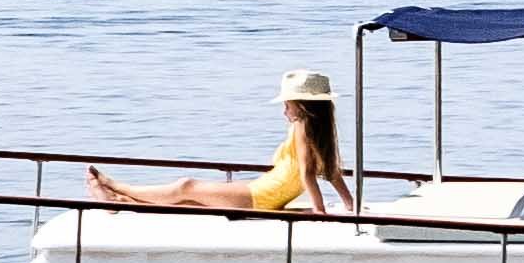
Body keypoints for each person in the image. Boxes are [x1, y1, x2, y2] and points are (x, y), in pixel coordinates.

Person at [92, 71, 360, 215]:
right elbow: (332, 171)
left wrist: (319, 210)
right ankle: (120, 202)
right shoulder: (319, 130)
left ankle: (116, 186)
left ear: (302, 105)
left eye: (287, 105)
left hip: (262, 196)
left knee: (187, 186)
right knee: (190, 205)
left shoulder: (302, 126)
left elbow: (307, 171)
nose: (284, 112)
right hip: (266, 193)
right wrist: (350, 204)